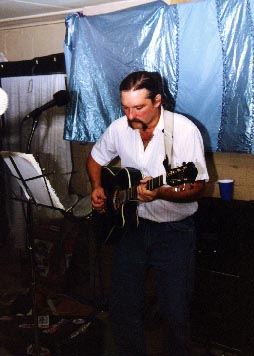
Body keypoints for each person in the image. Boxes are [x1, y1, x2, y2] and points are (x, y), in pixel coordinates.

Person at [86, 71, 209, 356]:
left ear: (157, 100)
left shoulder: (184, 130)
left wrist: (162, 191)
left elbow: (197, 185)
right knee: (122, 306)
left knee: (175, 312)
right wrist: (97, 187)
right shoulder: (120, 127)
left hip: (174, 232)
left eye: (138, 107)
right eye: (125, 107)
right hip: (133, 228)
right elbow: (95, 159)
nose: (130, 115)